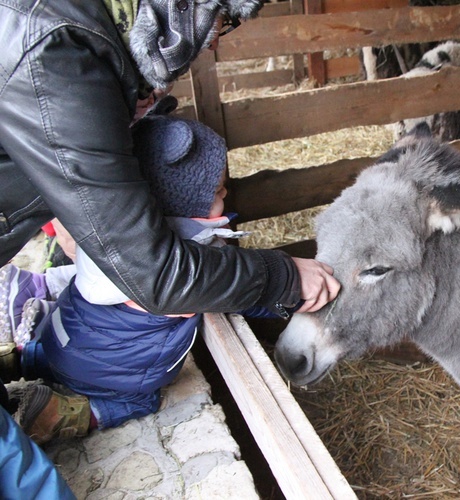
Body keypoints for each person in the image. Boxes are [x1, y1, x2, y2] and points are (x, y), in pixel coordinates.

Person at [0, 1, 340, 339]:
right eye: (222, 18)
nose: (215, 41)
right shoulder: (58, 52)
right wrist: (284, 276)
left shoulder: (75, 35)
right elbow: (154, 276)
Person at [4, 114, 308, 444]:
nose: (228, 194)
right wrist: (291, 298)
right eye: (219, 190)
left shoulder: (112, 234)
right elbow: (242, 291)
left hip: (58, 337)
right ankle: (56, 413)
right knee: (143, 399)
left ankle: (21, 359)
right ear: (186, 200)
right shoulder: (189, 255)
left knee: (68, 352)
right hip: (101, 371)